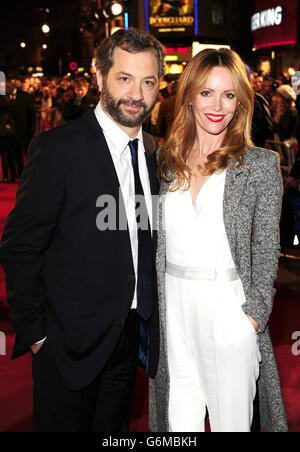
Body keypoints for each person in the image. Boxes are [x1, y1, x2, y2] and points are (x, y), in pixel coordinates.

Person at [0, 28, 165, 432]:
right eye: (124, 78)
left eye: (148, 82)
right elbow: (20, 247)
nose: (136, 94)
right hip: (67, 345)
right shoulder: (58, 149)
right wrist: (37, 335)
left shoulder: (156, 153)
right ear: (99, 77)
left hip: (129, 342)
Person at [149, 48, 288, 432]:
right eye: (206, 92)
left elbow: (265, 249)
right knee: (177, 426)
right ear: (189, 95)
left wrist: (253, 317)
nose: (217, 105)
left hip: (229, 307)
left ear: (240, 102)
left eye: (229, 95)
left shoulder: (259, 165)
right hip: (172, 309)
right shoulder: (165, 161)